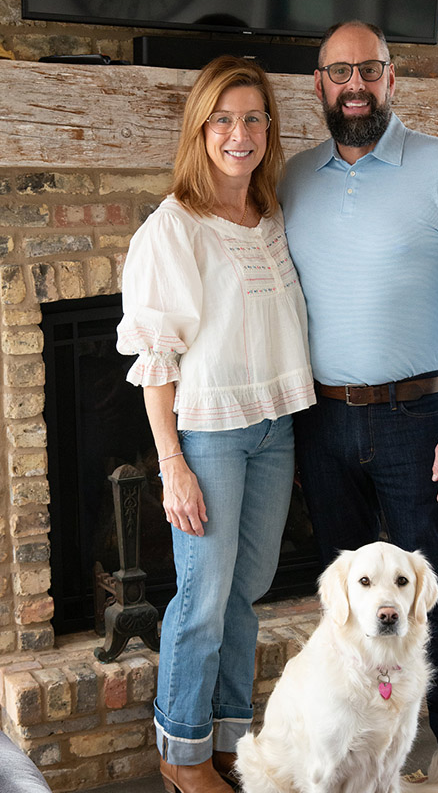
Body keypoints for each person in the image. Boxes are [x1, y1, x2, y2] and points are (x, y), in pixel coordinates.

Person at [279, 21, 438, 756]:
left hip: (420, 419)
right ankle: (364, 746)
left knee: (431, 590)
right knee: (353, 603)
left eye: (368, 71)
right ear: (319, 85)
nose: (354, 87)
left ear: (391, 78)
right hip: (322, 418)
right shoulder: (294, 177)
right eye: (338, 73)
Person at [117, 56, 315, 793]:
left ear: (269, 128)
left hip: (273, 430)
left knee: (246, 588)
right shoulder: (175, 229)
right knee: (201, 596)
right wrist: (172, 462)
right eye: (224, 119)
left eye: (254, 117)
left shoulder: (269, 219)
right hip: (209, 435)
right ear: (201, 131)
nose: (240, 133)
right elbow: (156, 358)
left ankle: (226, 737)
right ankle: (181, 753)